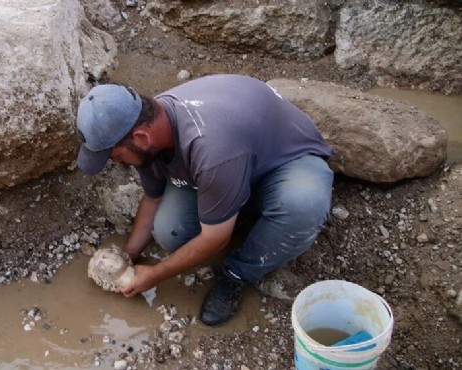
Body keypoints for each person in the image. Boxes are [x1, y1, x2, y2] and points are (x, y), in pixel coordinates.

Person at [75, 74, 334, 326]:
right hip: (231, 163)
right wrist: (127, 256)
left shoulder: (211, 149)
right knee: (170, 232)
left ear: (141, 138)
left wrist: (155, 274)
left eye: (117, 157)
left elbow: (215, 239)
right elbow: (153, 198)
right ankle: (235, 207)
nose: (117, 162)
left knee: (302, 206)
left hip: (284, 160)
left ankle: (237, 274)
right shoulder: (144, 123)